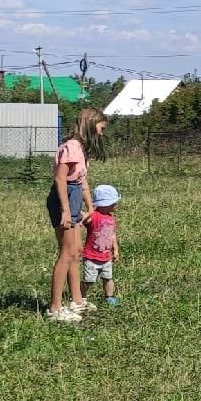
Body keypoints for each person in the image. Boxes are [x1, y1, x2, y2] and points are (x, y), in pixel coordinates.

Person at [48, 107, 107, 322]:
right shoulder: (72, 147)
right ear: (91, 125)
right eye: (101, 128)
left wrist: (90, 207)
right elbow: (61, 179)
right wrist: (66, 209)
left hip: (72, 198)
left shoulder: (81, 149)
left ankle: (77, 300)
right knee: (66, 254)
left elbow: (81, 182)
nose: (101, 133)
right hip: (62, 198)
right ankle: (55, 308)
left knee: (76, 252)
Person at [81, 184, 122, 306]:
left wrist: (115, 250)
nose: (115, 205)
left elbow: (112, 234)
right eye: (113, 203)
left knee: (108, 278)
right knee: (89, 280)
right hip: (92, 256)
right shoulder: (94, 216)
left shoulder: (110, 217)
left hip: (106, 256)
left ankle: (109, 296)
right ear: (106, 204)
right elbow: (84, 218)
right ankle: (80, 296)